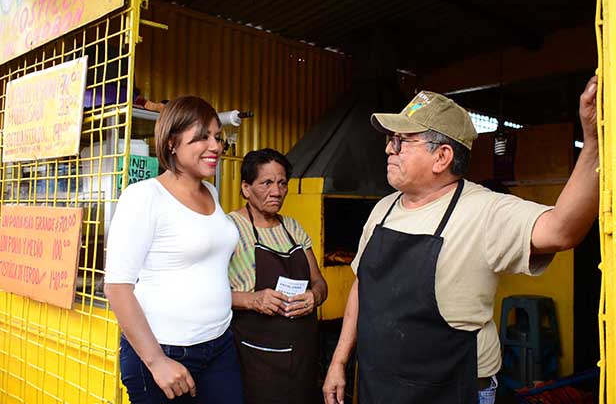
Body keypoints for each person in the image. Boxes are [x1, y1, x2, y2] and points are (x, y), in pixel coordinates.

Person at [323, 76, 599, 404]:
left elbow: (562, 230)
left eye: (400, 141)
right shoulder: (384, 208)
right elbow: (361, 286)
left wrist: (594, 143)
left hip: (454, 390)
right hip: (379, 385)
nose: (387, 148)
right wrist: (339, 361)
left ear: (441, 157)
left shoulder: (483, 209)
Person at [104, 96, 244, 404]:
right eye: (202, 137)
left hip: (219, 344)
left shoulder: (211, 191)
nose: (215, 147)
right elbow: (116, 287)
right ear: (171, 143)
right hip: (164, 351)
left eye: (218, 137)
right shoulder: (143, 197)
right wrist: (156, 363)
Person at [227, 148, 328, 404]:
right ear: (246, 188)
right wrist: (253, 300)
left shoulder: (293, 227)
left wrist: (314, 297)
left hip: (302, 351)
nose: (277, 191)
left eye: (282, 183)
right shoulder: (229, 228)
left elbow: (320, 283)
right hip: (256, 353)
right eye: (267, 183)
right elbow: (206, 295)